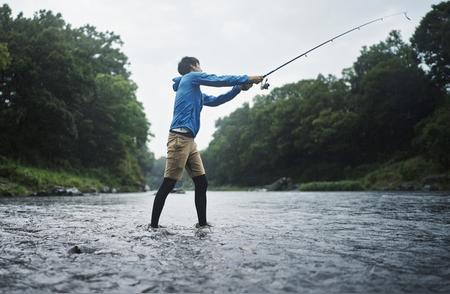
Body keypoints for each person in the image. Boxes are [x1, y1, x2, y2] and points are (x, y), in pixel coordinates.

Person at [150, 56, 263, 229]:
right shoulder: (191, 77)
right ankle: (153, 226)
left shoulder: (195, 91)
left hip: (189, 141)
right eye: (199, 64)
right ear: (193, 66)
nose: (202, 68)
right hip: (179, 139)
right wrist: (247, 78)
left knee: (202, 183)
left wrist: (239, 88)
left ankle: (202, 224)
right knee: (169, 183)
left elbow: (218, 100)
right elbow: (217, 80)